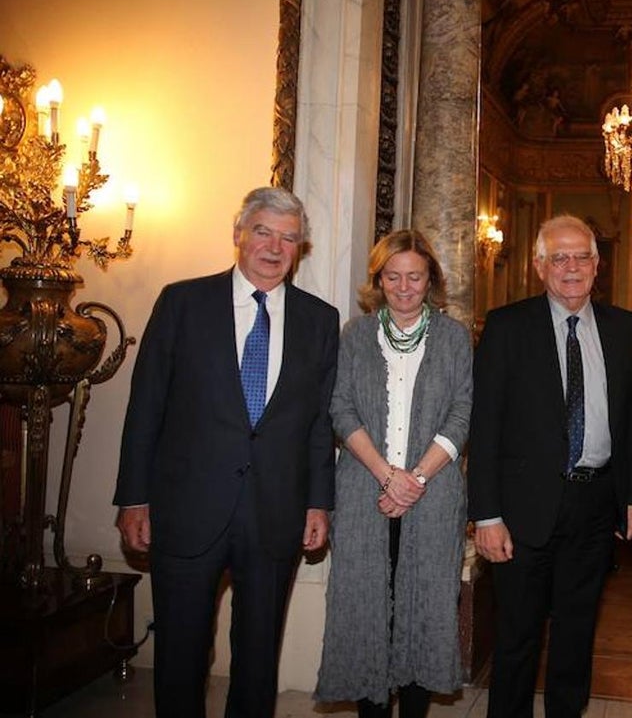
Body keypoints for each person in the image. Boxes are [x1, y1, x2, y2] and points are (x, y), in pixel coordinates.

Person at [113, 186, 339, 718]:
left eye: (289, 238)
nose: (274, 247)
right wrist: (133, 498)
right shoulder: (183, 302)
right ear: (239, 234)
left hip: (275, 513)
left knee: (259, 660)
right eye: (263, 231)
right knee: (181, 655)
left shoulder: (319, 320)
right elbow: (146, 406)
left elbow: (318, 425)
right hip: (187, 509)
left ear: (300, 249)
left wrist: (318, 504)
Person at [468, 214, 632, 718]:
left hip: (595, 506)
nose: (571, 267)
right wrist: (486, 515)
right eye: (560, 257)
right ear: (539, 266)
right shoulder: (507, 326)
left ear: (598, 264)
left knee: (576, 636)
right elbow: (485, 426)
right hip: (522, 509)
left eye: (582, 257)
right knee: (517, 638)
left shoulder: (626, 329)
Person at [313, 230, 471, 718]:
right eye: (393, 276)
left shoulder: (453, 336)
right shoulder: (355, 336)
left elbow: (461, 415)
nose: (404, 287)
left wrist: (416, 480)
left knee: (426, 613)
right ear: (378, 280)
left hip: (435, 496)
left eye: (415, 277)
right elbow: (341, 410)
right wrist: (388, 477)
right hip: (364, 494)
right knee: (365, 615)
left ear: (431, 281)